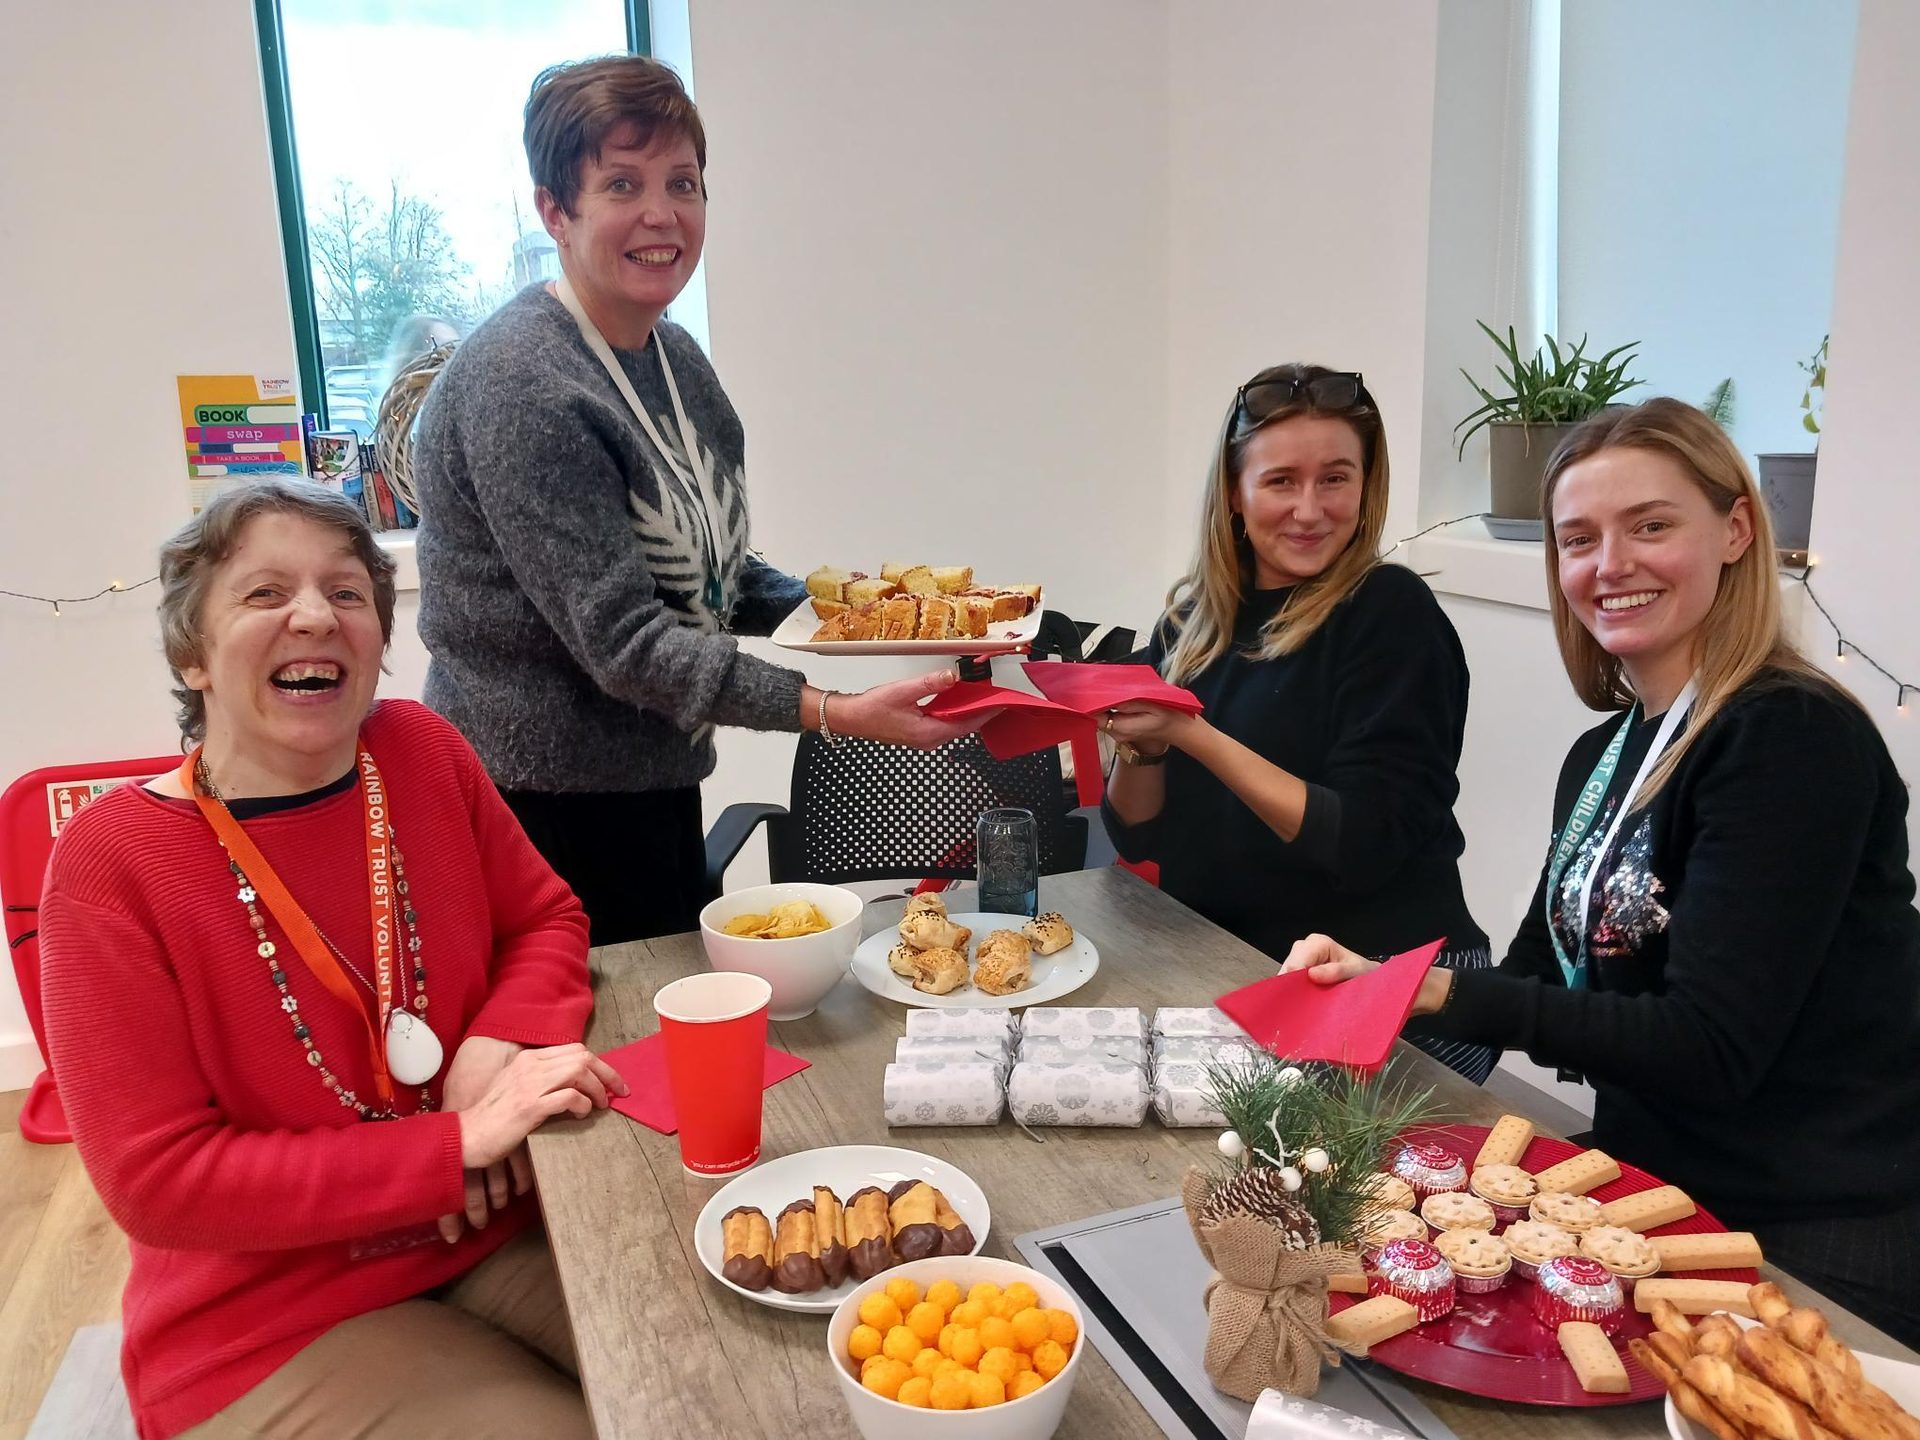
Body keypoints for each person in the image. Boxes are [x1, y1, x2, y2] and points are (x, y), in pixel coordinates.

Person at [1282, 398, 1920, 1348]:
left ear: (1736, 528)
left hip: (1807, 1220)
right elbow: (1542, 979)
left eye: (1651, 526)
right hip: (1651, 1180)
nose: (1609, 565)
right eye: (1578, 538)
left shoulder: (1791, 737)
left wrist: (1437, 990)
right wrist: (1388, 984)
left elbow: (1708, 1047)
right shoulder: (1606, 753)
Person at [39, 480, 627, 1439]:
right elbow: (158, 1182)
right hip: (273, 1319)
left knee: (698, 1375)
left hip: (494, 1229)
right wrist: (448, 1149)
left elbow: (547, 922)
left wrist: (499, 1045)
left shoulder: (424, 754)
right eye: (265, 594)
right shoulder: (110, 864)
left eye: (348, 593)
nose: (315, 614)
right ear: (192, 654)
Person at [413, 55, 971, 945]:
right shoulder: (525, 385)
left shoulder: (674, 359)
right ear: (556, 210)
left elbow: (709, 573)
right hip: (537, 805)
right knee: (598, 1051)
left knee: (666, 1041)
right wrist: (831, 709)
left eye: (683, 183)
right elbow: (630, 644)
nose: (661, 214)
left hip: (653, 777)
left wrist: (882, 615)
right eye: (622, 184)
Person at [1099, 364, 1494, 1080]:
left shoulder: (1390, 613)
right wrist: (1146, 749)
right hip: (1235, 967)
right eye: (1281, 481)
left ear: (1365, 488)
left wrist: (1193, 734)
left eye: (1335, 479)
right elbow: (1137, 831)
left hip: (1383, 990)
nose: (1310, 509)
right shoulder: (1192, 621)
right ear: (1234, 494)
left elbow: (1361, 844)